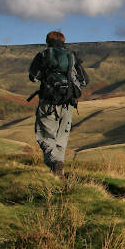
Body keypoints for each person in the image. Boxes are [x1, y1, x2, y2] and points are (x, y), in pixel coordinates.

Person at [28, 31, 89, 176]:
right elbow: (84, 81)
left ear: (47, 41)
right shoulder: (71, 57)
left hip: (48, 103)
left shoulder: (43, 55)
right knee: (61, 140)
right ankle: (58, 176)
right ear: (63, 41)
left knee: (44, 137)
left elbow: (33, 77)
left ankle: (55, 163)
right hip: (67, 104)